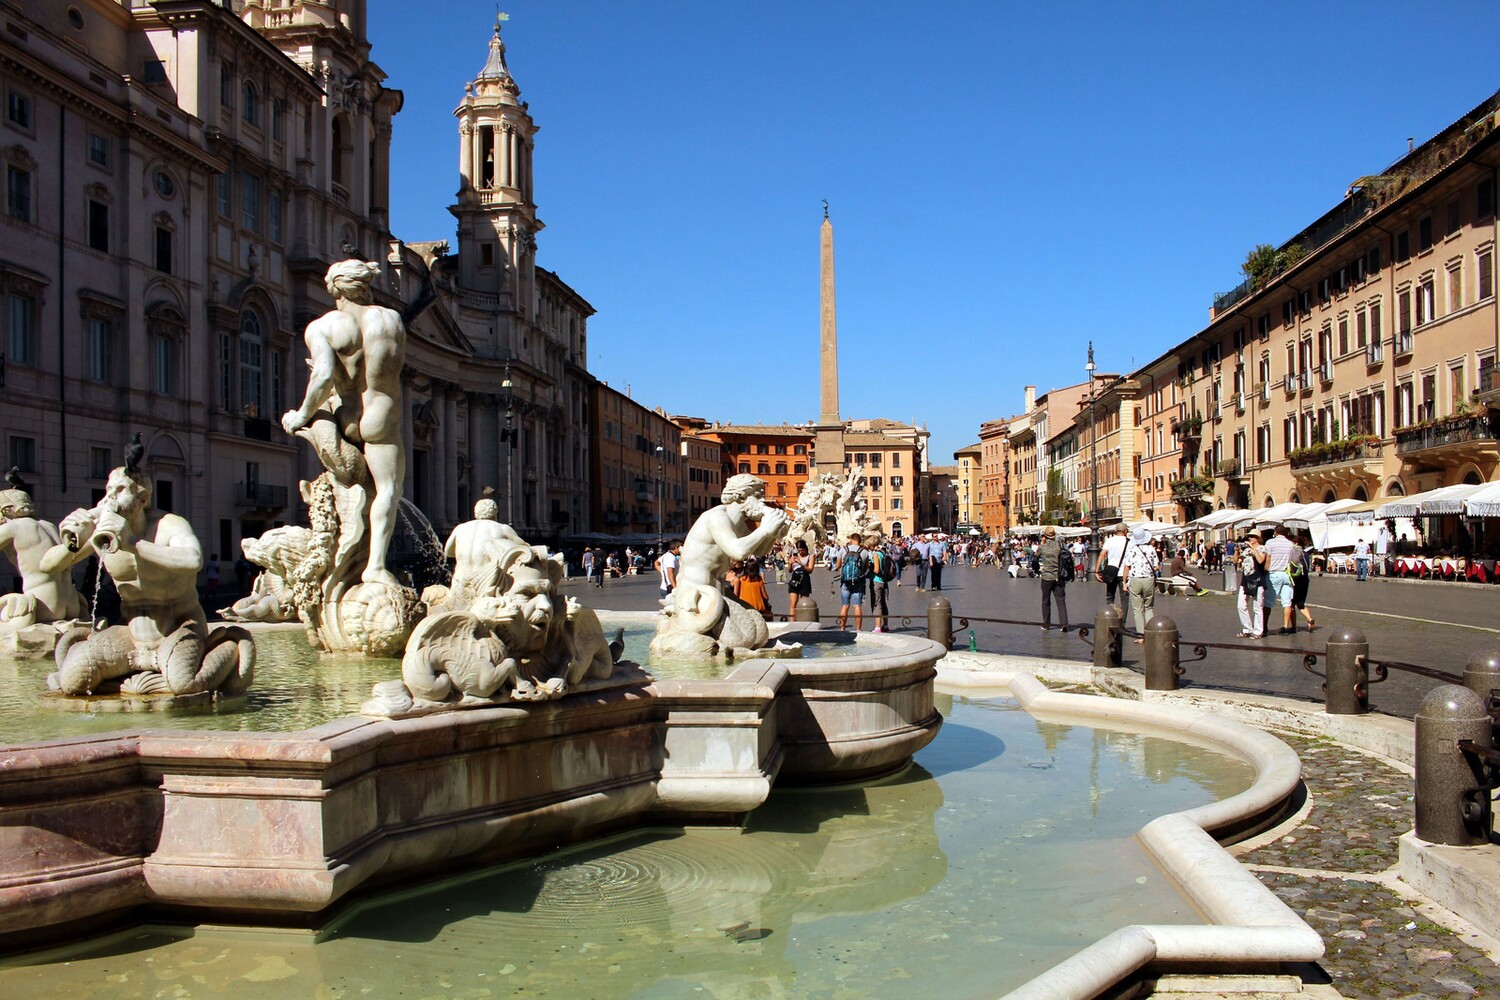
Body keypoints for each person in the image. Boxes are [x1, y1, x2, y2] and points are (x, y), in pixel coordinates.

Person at [281, 259, 407, 590]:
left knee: (348, 486)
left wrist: (301, 414)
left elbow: (322, 377)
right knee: (388, 491)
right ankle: (375, 567)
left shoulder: (322, 326)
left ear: (334, 289)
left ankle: (343, 558)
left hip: (347, 416)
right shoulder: (391, 320)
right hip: (382, 417)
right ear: (364, 286)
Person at [0, 486, 89, 628]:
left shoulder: (13, 527)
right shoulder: (49, 525)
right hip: (72, 603)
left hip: (44, 603)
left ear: (5, 510)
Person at [1121, 527, 1159, 642]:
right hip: (1148, 579)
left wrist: (1124, 582)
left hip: (1135, 579)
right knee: (1149, 607)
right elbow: (1157, 566)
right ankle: (1151, 633)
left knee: (1137, 609)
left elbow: (1126, 567)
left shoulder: (1132, 550)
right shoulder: (1151, 549)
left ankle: (1141, 636)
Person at [1264, 525, 1298, 635]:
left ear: (1275, 532)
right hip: (1287, 574)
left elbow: (1268, 559)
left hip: (1274, 573)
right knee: (1287, 603)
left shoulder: (1270, 542)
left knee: (1268, 602)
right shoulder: (1290, 544)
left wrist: (1265, 570)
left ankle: (1264, 626)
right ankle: (1285, 626)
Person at [1036, 526, 1070, 632]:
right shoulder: (1060, 546)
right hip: (1059, 577)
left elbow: (1035, 558)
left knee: (1045, 601)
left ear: (1045, 536)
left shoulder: (1042, 547)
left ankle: (1046, 624)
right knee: (1061, 601)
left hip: (1046, 577)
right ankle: (1064, 624)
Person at [1236, 531, 1270, 638]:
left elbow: (1260, 560)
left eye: (1252, 537)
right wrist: (1236, 551)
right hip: (1245, 580)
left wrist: (1253, 548)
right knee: (1241, 605)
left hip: (1257, 580)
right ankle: (1247, 628)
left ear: (1257, 538)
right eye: (1249, 536)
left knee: (1257, 606)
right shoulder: (1246, 550)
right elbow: (1236, 561)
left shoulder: (1262, 548)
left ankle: (1258, 631)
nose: (1250, 538)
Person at [835, 533, 870, 631]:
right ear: (860, 541)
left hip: (845, 581)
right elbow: (865, 567)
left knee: (845, 605)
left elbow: (837, 566)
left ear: (851, 539)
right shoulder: (864, 552)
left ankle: (842, 628)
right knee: (857, 605)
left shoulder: (843, 549)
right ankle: (858, 629)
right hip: (858, 582)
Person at [1289, 531, 1317, 633]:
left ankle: (1294, 627)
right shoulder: (1306, 554)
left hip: (1296, 580)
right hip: (1305, 580)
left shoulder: (1294, 552)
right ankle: (1309, 619)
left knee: (1291, 604)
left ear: (1296, 543)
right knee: (1301, 604)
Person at [1095, 524, 1128, 606]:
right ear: (1126, 531)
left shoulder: (1109, 541)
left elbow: (1102, 555)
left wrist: (1097, 571)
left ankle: (1110, 616)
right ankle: (1123, 618)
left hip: (1111, 571)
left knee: (1110, 596)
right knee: (1124, 599)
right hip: (1124, 573)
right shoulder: (1129, 541)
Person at [869, 537, 897, 633]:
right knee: (884, 603)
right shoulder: (883, 553)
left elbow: (876, 570)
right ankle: (885, 625)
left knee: (877, 604)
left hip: (876, 581)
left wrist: (869, 568)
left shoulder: (876, 554)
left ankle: (877, 627)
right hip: (884, 581)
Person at [786, 540, 814, 617]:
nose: (800, 552)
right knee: (793, 603)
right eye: (799, 551)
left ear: (806, 549)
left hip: (804, 579)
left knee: (803, 603)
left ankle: (803, 620)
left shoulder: (810, 556)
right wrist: (790, 563)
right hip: (794, 579)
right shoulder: (794, 556)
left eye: (802, 550)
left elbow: (810, 570)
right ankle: (792, 623)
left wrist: (801, 564)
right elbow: (789, 570)